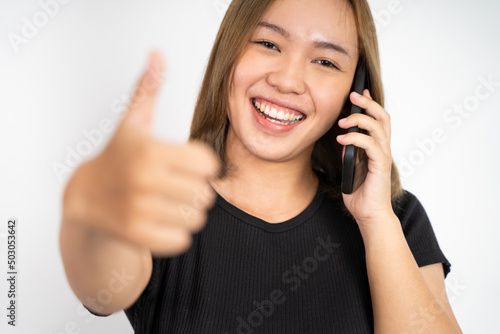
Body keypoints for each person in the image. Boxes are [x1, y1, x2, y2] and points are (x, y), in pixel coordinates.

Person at [59, 0, 463, 332]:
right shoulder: (163, 199)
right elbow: (101, 291)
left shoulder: (396, 219)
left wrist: (376, 222)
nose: (287, 81)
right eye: (269, 44)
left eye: (325, 62)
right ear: (230, 51)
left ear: (354, 95)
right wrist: (90, 214)